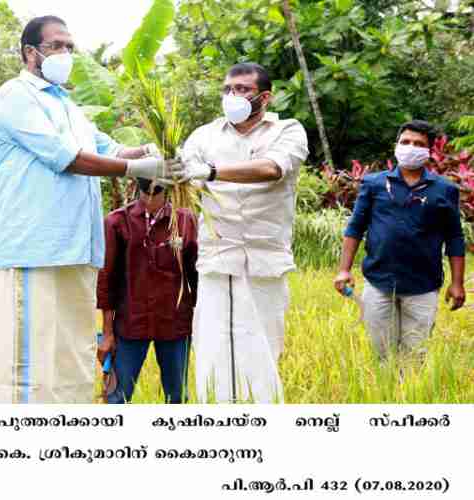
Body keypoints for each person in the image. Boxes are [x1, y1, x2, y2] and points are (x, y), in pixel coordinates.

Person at [0, 15, 179, 404]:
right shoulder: (17, 95)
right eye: (56, 46)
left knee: (71, 361)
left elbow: (108, 149)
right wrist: (136, 168)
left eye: (70, 46)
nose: (66, 53)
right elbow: (66, 157)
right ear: (29, 53)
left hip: (75, 248)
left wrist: (153, 152)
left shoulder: (68, 105)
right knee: (27, 366)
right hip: (32, 249)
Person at [176, 62, 308, 403]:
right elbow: (183, 172)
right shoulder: (203, 135)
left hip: (264, 259)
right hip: (217, 258)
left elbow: (271, 168)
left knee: (261, 347)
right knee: (213, 347)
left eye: (242, 89)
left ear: (264, 96)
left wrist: (212, 171)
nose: (233, 96)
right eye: (228, 89)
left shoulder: (287, 131)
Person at [334, 120, 466, 359]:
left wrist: (457, 283)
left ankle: (409, 395)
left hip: (423, 286)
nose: (411, 147)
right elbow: (355, 228)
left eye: (418, 144)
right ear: (396, 145)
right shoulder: (374, 184)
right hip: (378, 282)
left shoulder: (445, 190)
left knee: (414, 356)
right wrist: (344, 270)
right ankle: (386, 394)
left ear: (429, 151)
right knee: (382, 354)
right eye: (405, 142)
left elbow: (455, 237)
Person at [97, 178, 198, 404]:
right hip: (130, 324)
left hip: (175, 324)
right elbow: (106, 281)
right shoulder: (116, 222)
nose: (152, 182)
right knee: (115, 398)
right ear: (135, 179)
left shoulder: (184, 220)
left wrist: (200, 322)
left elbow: (196, 275)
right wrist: (107, 333)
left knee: (177, 397)